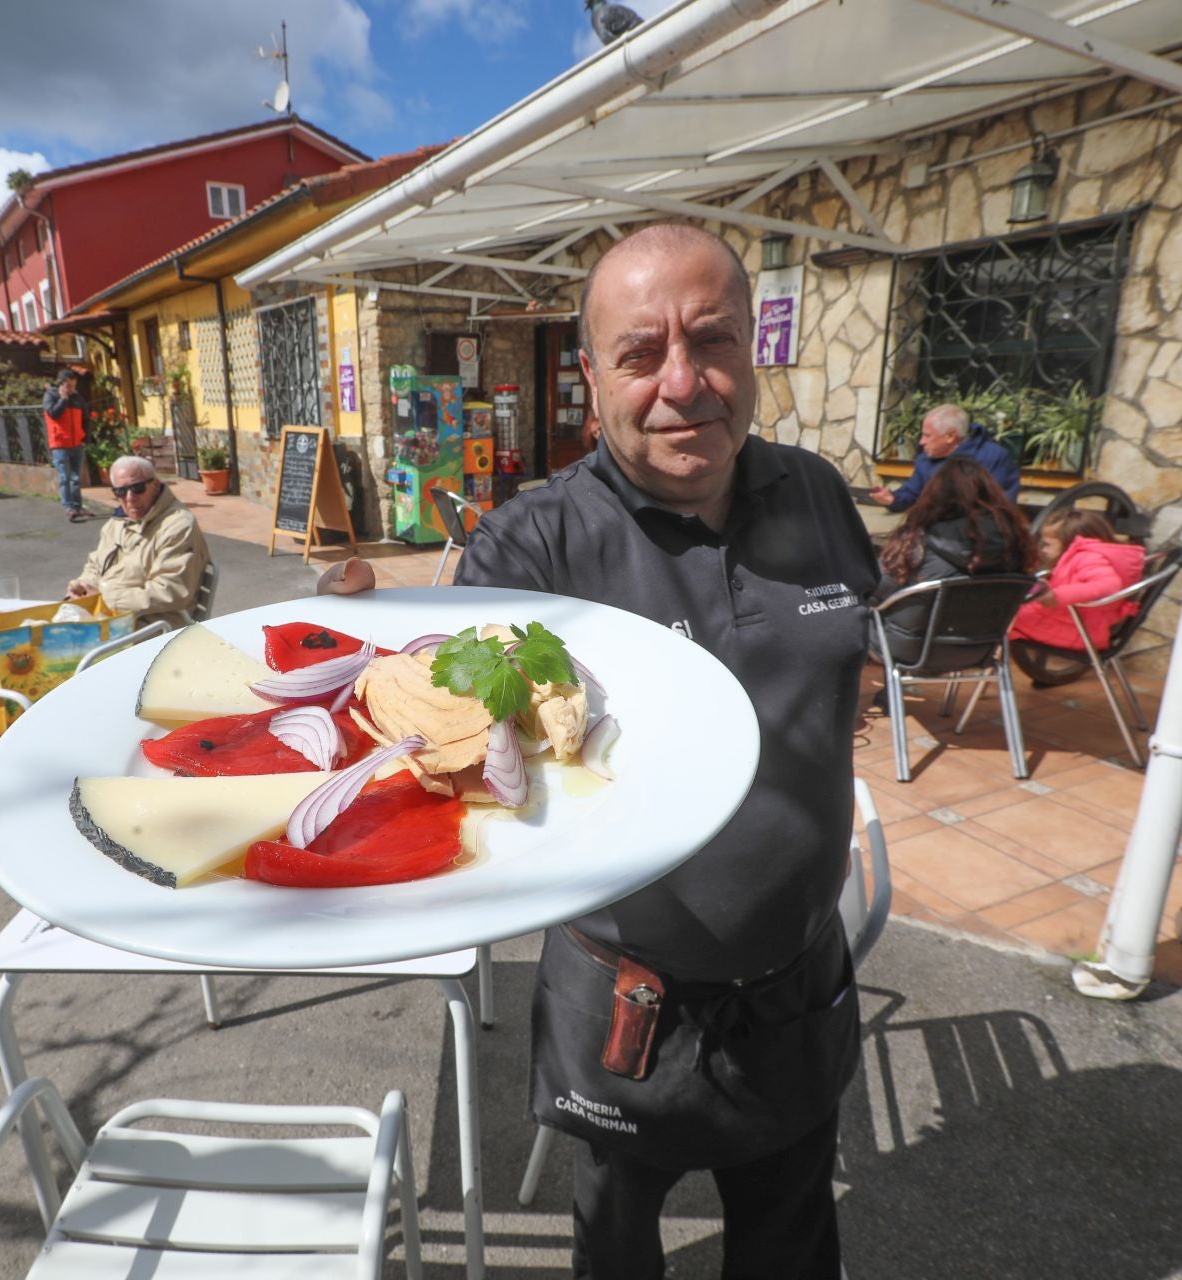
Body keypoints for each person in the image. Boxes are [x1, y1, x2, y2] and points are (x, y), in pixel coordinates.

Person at [322, 223, 874, 1278]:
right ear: (589, 376)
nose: (684, 381)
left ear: (750, 349)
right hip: (627, 1003)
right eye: (640, 353)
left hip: (798, 984)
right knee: (616, 1250)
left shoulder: (816, 495)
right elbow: (441, 709)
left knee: (790, 1247)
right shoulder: (533, 547)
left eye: (711, 340)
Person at [871, 455, 1035, 667]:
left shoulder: (918, 543)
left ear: (934, 496)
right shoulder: (1016, 545)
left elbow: (875, 589)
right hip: (981, 650)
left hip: (911, 651)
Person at [66, 456, 210, 631]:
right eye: (120, 491)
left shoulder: (178, 526)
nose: (130, 498)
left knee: (71, 649)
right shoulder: (118, 521)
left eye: (137, 488)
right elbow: (96, 565)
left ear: (155, 485)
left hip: (155, 623)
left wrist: (106, 599)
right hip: (110, 615)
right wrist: (83, 586)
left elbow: (170, 590)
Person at [1009, 508, 1145, 652]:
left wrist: (1057, 595)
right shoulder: (1091, 554)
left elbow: (1109, 585)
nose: (1043, 550)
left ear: (1069, 543)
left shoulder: (1088, 557)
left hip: (1078, 630)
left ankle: (993, 666)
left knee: (1000, 618)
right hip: (1079, 623)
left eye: (1048, 544)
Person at [868, 402, 1021, 510]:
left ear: (950, 436)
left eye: (927, 436)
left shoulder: (993, 457)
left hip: (977, 539)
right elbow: (912, 492)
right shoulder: (926, 457)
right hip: (935, 535)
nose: (921, 442)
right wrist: (893, 499)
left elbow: (1000, 506)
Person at [44, 367, 89, 523]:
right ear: (61, 385)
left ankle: (78, 506)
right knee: (65, 477)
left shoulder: (78, 399)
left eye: (73, 386)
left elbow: (86, 418)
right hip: (60, 444)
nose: (72, 389)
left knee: (76, 478)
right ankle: (69, 507)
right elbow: (53, 414)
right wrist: (63, 399)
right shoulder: (50, 396)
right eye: (69, 386)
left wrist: (85, 439)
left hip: (76, 443)